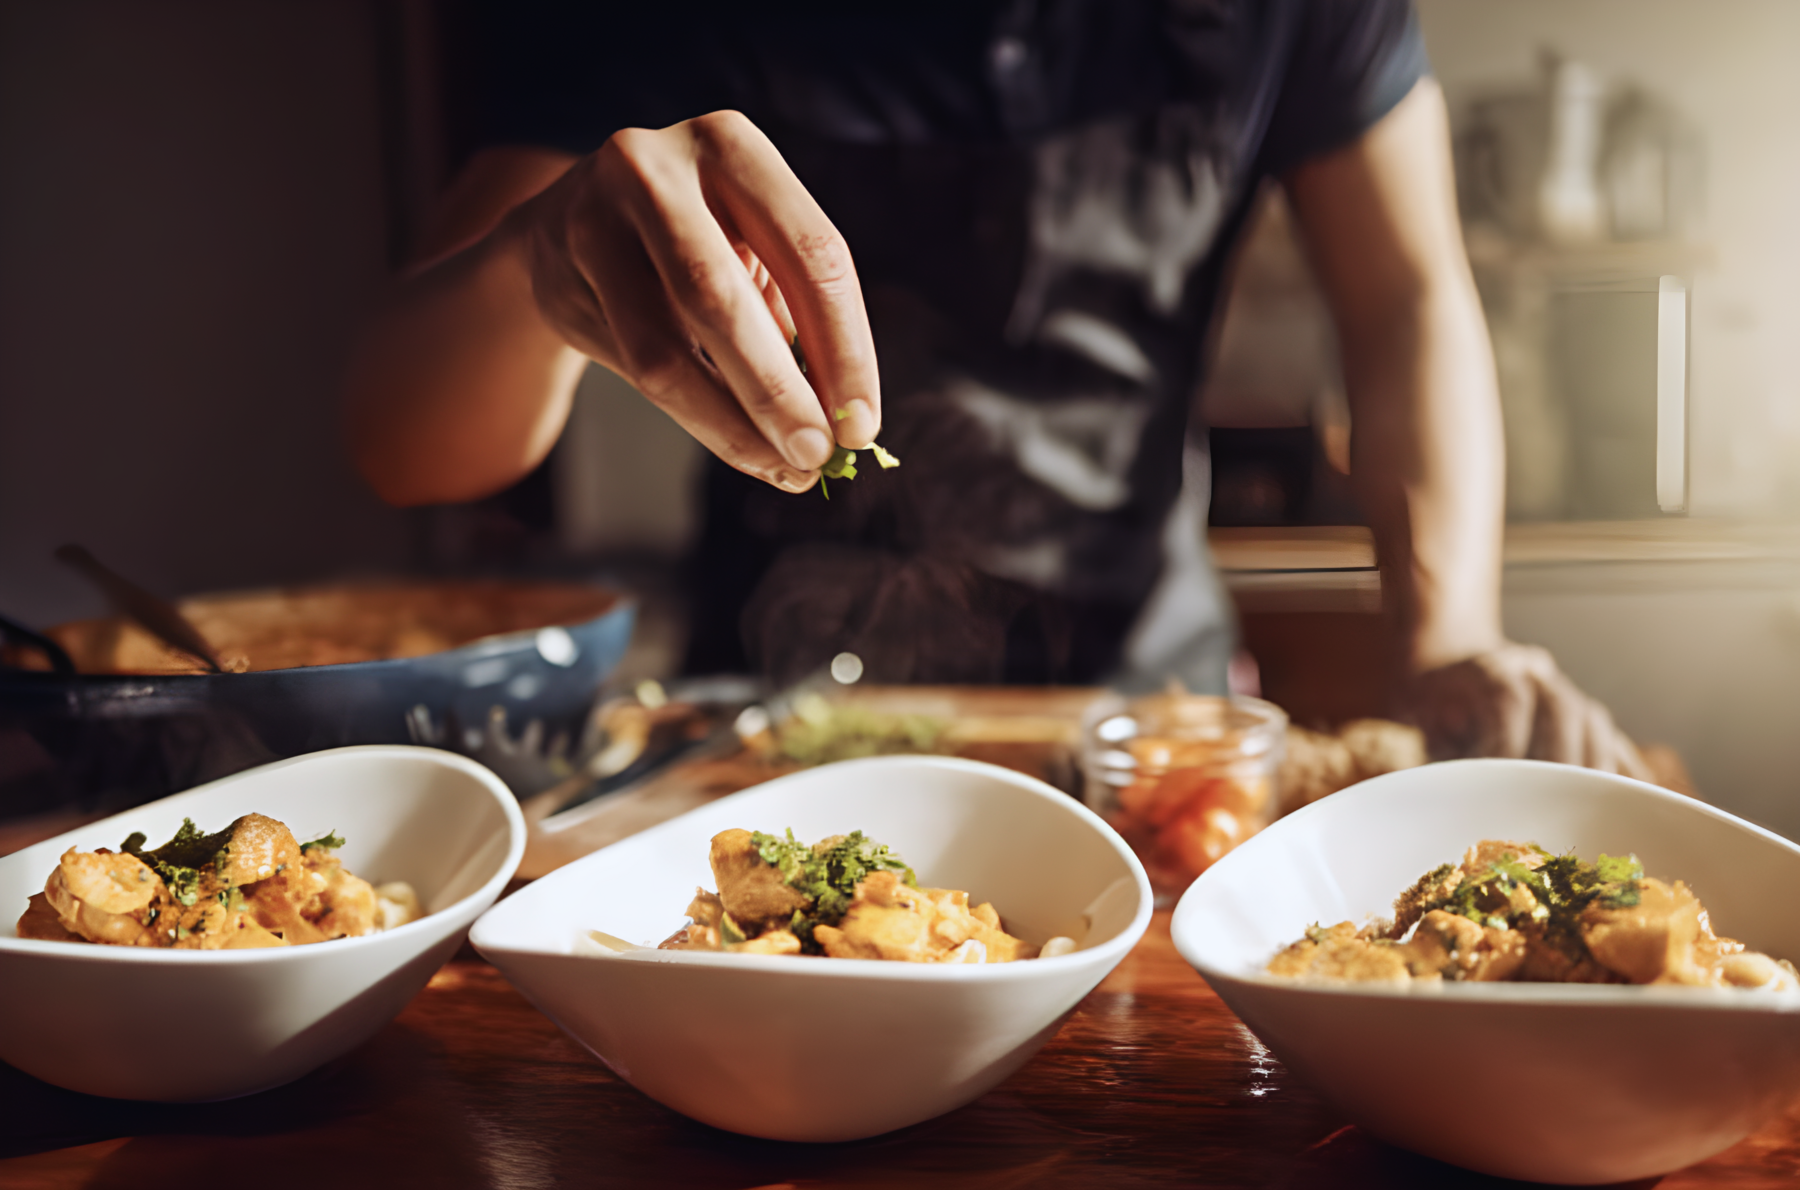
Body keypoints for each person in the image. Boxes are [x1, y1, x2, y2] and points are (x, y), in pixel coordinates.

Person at [345, 0, 1652, 776]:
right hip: (783, 732)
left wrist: (1449, 634)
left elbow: (1407, 298)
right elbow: (403, 449)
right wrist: (534, 266)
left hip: (1157, 728)